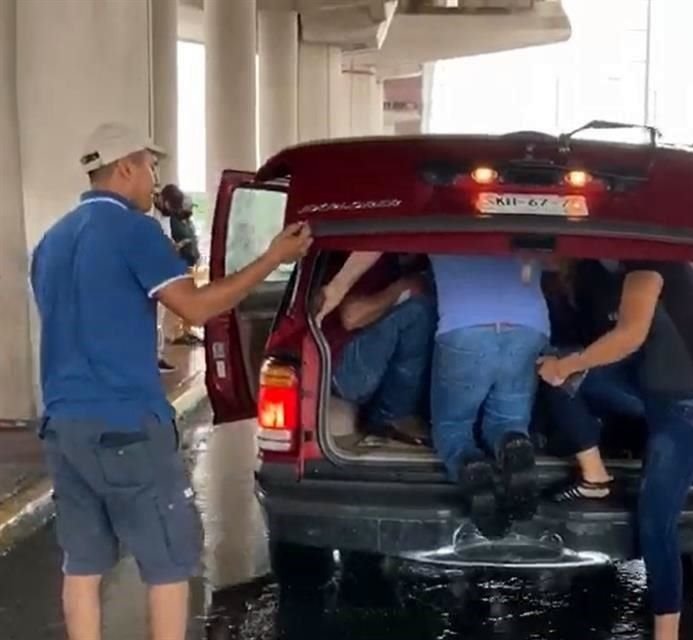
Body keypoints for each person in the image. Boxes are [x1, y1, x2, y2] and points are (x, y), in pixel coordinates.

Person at [30, 122, 311, 640]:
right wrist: (273, 258)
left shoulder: (53, 239)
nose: (155, 179)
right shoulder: (135, 231)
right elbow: (198, 308)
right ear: (126, 168)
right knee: (168, 563)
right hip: (126, 425)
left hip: (63, 425)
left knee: (83, 564)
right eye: (151, 167)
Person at [537, 258, 693, 640]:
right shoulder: (634, 267)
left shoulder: (652, 266)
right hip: (653, 394)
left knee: (656, 521)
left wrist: (568, 364)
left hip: (690, 408)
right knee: (571, 379)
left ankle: (666, 634)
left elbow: (629, 335)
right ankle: (595, 476)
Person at [319, 251, 549, 526]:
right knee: (508, 420)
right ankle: (515, 445)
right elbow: (558, 257)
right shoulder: (521, 210)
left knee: (453, 427)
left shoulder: (441, 210)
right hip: (531, 325)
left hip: (465, 326)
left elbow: (384, 235)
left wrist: (337, 286)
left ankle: (471, 468)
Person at [314, 254, 435, 447]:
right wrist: (403, 288)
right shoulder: (367, 261)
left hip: (362, 368)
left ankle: (389, 414)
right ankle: (394, 415)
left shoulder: (405, 263)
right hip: (343, 370)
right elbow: (351, 316)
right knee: (418, 312)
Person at [168, 193, 203, 346]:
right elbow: (174, 242)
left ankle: (187, 330)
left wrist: (198, 254)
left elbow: (193, 240)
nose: (190, 209)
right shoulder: (173, 221)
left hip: (190, 263)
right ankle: (176, 333)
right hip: (179, 265)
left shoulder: (188, 221)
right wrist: (184, 243)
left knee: (191, 298)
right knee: (179, 300)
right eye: (188, 206)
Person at [154, 184, 182, 371]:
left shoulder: (164, 216)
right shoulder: (148, 214)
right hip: (151, 275)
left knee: (159, 319)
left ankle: (158, 355)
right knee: (153, 319)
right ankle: (153, 358)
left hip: (161, 272)